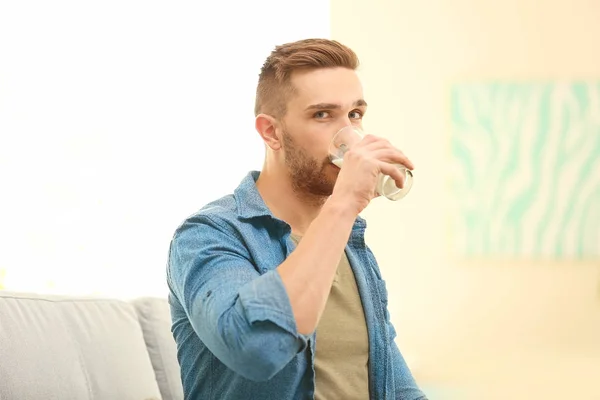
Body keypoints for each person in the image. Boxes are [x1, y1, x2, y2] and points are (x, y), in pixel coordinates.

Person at [167, 38, 427, 400]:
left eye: (354, 115)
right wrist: (343, 204)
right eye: (322, 115)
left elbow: (395, 387)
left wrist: (341, 214)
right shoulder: (208, 235)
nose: (348, 136)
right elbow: (257, 349)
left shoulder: (349, 244)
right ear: (271, 132)